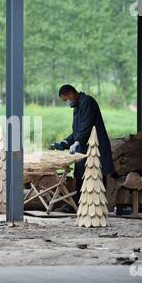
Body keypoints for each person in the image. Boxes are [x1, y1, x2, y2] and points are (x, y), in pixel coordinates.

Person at [50, 84, 115, 213]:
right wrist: (64, 143)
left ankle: (97, 207)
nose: (67, 103)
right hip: (84, 146)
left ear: (70, 94)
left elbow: (86, 125)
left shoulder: (87, 102)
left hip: (95, 145)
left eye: (66, 100)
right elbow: (77, 131)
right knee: (79, 175)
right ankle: (76, 205)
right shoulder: (77, 106)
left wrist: (78, 141)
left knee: (97, 174)